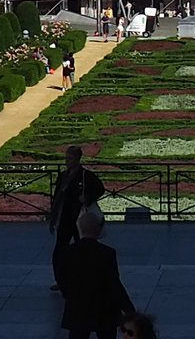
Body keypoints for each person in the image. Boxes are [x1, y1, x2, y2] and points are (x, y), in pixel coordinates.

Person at [58, 204, 134, 339]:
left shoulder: (67, 253)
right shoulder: (107, 253)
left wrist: (69, 295)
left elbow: (62, 280)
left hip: (77, 307)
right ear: (98, 230)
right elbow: (114, 284)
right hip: (104, 310)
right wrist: (129, 309)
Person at [50, 145, 105, 291]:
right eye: (66, 158)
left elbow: (100, 189)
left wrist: (87, 198)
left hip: (80, 219)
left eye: (70, 158)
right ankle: (61, 280)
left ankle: (84, 278)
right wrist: (53, 216)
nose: (67, 161)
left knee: (82, 250)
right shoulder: (63, 176)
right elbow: (57, 197)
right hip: (65, 218)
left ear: (78, 159)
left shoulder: (85, 175)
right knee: (60, 250)